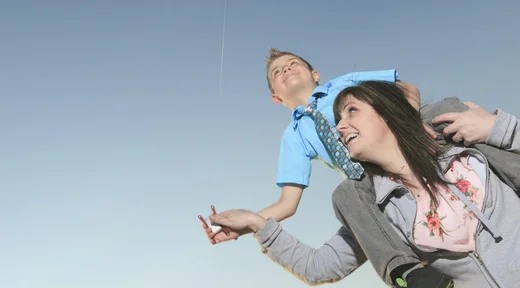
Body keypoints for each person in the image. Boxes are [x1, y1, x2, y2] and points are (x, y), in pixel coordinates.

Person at [207, 80, 520, 288]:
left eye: (352, 111)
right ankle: (406, 276)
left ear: (385, 113)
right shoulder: (374, 211)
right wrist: (256, 223)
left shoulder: (464, 144)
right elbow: (319, 266)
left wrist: (500, 128)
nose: (341, 126)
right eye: (339, 119)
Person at [204, 48, 450, 287]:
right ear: (276, 97)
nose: (286, 69)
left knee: (444, 112)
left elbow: (406, 88)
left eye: (293, 63)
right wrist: (246, 224)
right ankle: (408, 273)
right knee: (346, 193)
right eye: (277, 72)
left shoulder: (343, 85)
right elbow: (287, 204)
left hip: (404, 147)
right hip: (370, 185)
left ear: (315, 74)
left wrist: (412, 124)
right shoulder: (294, 137)